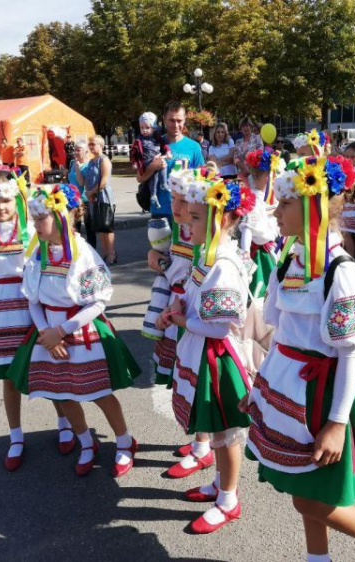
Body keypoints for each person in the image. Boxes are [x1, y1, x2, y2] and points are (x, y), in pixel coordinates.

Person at [243, 155, 355, 562]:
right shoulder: (290, 261)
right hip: (287, 387)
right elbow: (278, 335)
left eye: (286, 204)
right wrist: (258, 386)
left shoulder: (341, 272)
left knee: (314, 499)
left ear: (313, 205)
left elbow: (349, 354)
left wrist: (335, 424)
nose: (276, 212)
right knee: (303, 489)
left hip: (321, 397)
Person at [0, 170, 72, 471]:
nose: (0, 207)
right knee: (8, 377)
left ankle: (65, 423)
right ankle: (16, 436)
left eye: (6, 200)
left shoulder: (32, 229)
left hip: (32, 306)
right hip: (0, 312)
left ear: (17, 197)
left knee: (49, 368)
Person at [21, 184, 141, 477]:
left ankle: (125, 442)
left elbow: (98, 302)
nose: (35, 225)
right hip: (49, 333)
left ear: (62, 217)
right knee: (62, 394)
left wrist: (61, 330)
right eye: (35, 220)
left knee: (99, 392)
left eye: (41, 219)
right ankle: (86, 441)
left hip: (79, 330)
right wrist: (47, 333)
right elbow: (33, 300)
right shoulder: (39, 253)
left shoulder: (83, 253)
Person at [162, 177, 255, 534]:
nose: (188, 222)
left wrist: (183, 318)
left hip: (219, 358)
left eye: (197, 217)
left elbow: (219, 327)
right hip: (203, 352)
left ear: (222, 220)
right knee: (215, 428)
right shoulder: (209, 255)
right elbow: (194, 293)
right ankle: (220, 484)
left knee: (226, 431)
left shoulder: (225, 264)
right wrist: (177, 304)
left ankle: (228, 500)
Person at [146, 167, 216, 481]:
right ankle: (200, 441)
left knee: (195, 379)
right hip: (176, 315)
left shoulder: (205, 236)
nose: (175, 206)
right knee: (183, 378)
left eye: (182, 201)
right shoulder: (181, 229)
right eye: (172, 198)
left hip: (193, 318)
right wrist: (156, 258)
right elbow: (173, 267)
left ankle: (203, 447)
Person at [137, 101, 204, 223]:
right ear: (164, 119)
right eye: (172, 120)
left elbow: (202, 180)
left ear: (184, 120)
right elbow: (140, 178)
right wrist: (153, 167)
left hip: (186, 213)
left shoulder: (194, 147)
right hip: (160, 211)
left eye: (179, 121)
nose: (176, 125)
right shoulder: (152, 144)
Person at [241, 149, 282, 299]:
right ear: (267, 177)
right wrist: (245, 253)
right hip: (259, 255)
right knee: (261, 288)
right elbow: (247, 228)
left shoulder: (273, 199)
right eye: (273, 174)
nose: (275, 177)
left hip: (273, 250)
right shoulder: (253, 200)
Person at [76, 135, 117, 264]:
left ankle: (111, 254)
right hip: (93, 199)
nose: (91, 146)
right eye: (90, 144)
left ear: (101, 145)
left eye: (93, 144)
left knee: (107, 226)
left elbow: (104, 180)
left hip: (104, 197)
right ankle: (104, 252)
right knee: (100, 227)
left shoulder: (104, 160)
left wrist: (91, 192)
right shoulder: (92, 161)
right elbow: (83, 181)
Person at [130, 111, 171, 210]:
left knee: (160, 168)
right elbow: (134, 153)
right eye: (142, 128)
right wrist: (135, 163)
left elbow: (164, 146)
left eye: (147, 128)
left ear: (153, 128)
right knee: (157, 171)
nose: (144, 130)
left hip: (157, 158)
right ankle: (157, 191)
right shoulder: (139, 140)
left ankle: (160, 187)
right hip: (147, 161)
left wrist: (168, 152)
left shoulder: (157, 138)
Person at [68, 140, 94, 246]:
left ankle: (93, 251)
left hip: (85, 200)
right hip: (73, 200)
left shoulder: (88, 165)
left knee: (89, 228)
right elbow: (70, 179)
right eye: (75, 150)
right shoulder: (72, 163)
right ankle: (77, 249)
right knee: (75, 227)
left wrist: (78, 169)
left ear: (86, 152)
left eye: (78, 150)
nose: (75, 153)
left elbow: (81, 182)